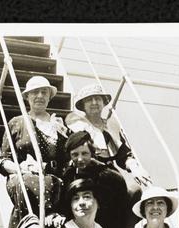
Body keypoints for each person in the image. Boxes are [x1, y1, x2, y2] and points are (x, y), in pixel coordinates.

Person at [0, 75, 69, 228]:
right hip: (23, 178)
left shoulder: (58, 123)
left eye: (44, 92)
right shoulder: (17, 122)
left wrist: (64, 132)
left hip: (54, 179)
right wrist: (22, 167)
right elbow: (3, 161)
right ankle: (47, 218)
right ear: (27, 97)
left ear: (50, 97)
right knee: (31, 182)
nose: (40, 96)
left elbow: (66, 157)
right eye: (35, 92)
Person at [65, 84, 152, 220]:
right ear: (83, 104)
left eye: (97, 99)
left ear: (103, 102)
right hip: (85, 172)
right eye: (89, 100)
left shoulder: (111, 126)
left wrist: (135, 167)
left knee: (134, 191)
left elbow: (123, 154)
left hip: (109, 174)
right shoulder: (76, 125)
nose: (94, 103)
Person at [61, 130, 129, 228]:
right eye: (75, 154)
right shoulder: (69, 175)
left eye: (84, 153)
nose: (80, 159)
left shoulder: (108, 176)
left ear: (92, 154)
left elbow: (119, 209)